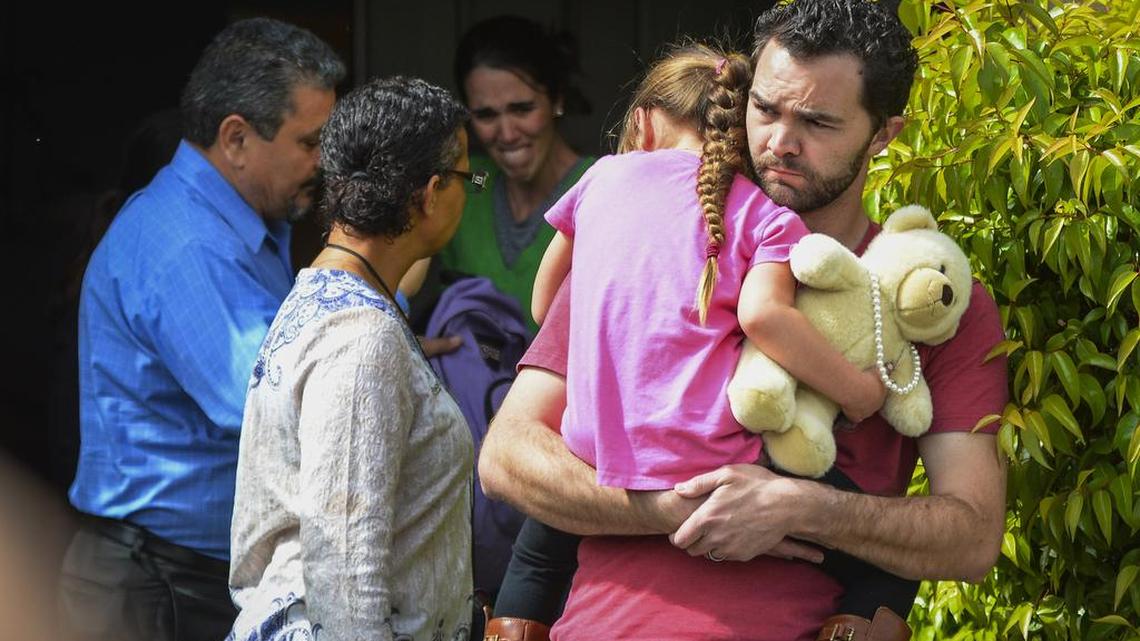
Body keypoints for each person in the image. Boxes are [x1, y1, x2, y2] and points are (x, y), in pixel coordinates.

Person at [477, 2, 1010, 640]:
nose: (780, 141)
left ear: (883, 135)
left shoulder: (925, 294)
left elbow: (973, 536)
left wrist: (799, 507)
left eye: (817, 121)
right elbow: (507, 458)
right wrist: (670, 507)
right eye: (766, 109)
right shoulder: (642, 245)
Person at [58, 17, 344, 641]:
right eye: (309, 142)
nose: (323, 163)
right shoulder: (188, 243)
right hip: (156, 584)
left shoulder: (241, 223)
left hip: (179, 574)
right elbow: (269, 403)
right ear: (236, 138)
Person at [227, 75, 476, 641]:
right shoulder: (362, 339)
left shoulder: (320, 296)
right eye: (468, 178)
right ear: (431, 192)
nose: (469, 192)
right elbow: (344, 570)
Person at [435, 14, 595, 330]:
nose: (507, 133)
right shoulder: (461, 185)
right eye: (485, 115)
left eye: (522, 109)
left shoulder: (599, 188)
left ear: (557, 99)